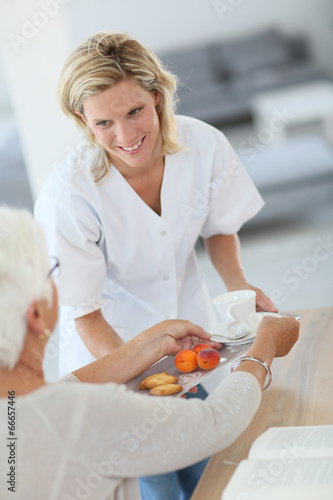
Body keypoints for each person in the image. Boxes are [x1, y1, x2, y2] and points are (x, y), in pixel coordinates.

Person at [34, 31, 278, 499]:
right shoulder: (70, 194)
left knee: (215, 476)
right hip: (113, 365)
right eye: (103, 122)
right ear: (81, 119)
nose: (126, 137)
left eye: (134, 112)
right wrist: (149, 387)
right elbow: (85, 314)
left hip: (191, 345)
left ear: (157, 95)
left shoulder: (203, 144)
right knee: (159, 487)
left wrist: (239, 285)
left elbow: (220, 226)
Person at [0, 207, 299, 500]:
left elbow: (51, 400)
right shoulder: (82, 417)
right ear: (36, 313)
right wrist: (264, 347)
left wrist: (146, 345)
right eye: (50, 271)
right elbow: (214, 422)